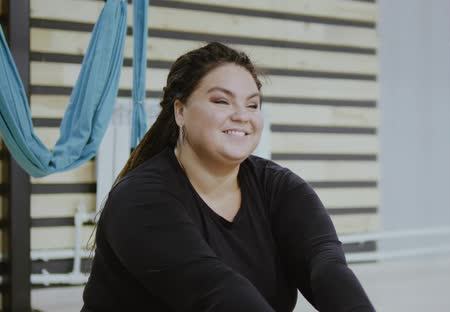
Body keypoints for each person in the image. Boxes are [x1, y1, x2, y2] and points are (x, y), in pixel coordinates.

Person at [81, 42, 375, 312]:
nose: (241, 115)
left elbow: (326, 267)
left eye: (252, 104)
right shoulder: (140, 199)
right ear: (180, 111)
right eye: (222, 101)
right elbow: (216, 291)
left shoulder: (280, 188)